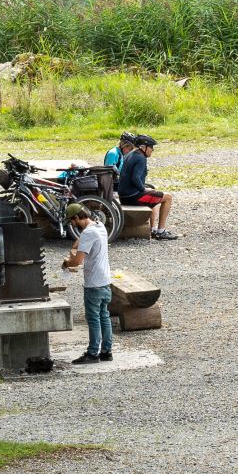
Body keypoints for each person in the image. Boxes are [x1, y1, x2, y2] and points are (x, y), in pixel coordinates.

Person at [61, 202, 114, 365]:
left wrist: (66, 263)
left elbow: (77, 261)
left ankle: (92, 353)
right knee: (104, 316)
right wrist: (75, 245)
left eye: (72, 221)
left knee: (93, 319)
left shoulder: (87, 234)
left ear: (77, 217)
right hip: (106, 281)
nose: (72, 224)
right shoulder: (99, 226)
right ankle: (106, 351)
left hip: (94, 284)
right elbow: (80, 241)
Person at [117, 133, 175, 238]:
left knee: (156, 195)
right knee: (168, 197)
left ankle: (153, 229)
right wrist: (143, 189)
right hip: (133, 197)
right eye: (151, 147)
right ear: (143, 147)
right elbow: (135, 178)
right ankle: (161, 231)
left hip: (124, 196)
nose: (152, 150)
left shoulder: (129, 155)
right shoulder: (141, 158)